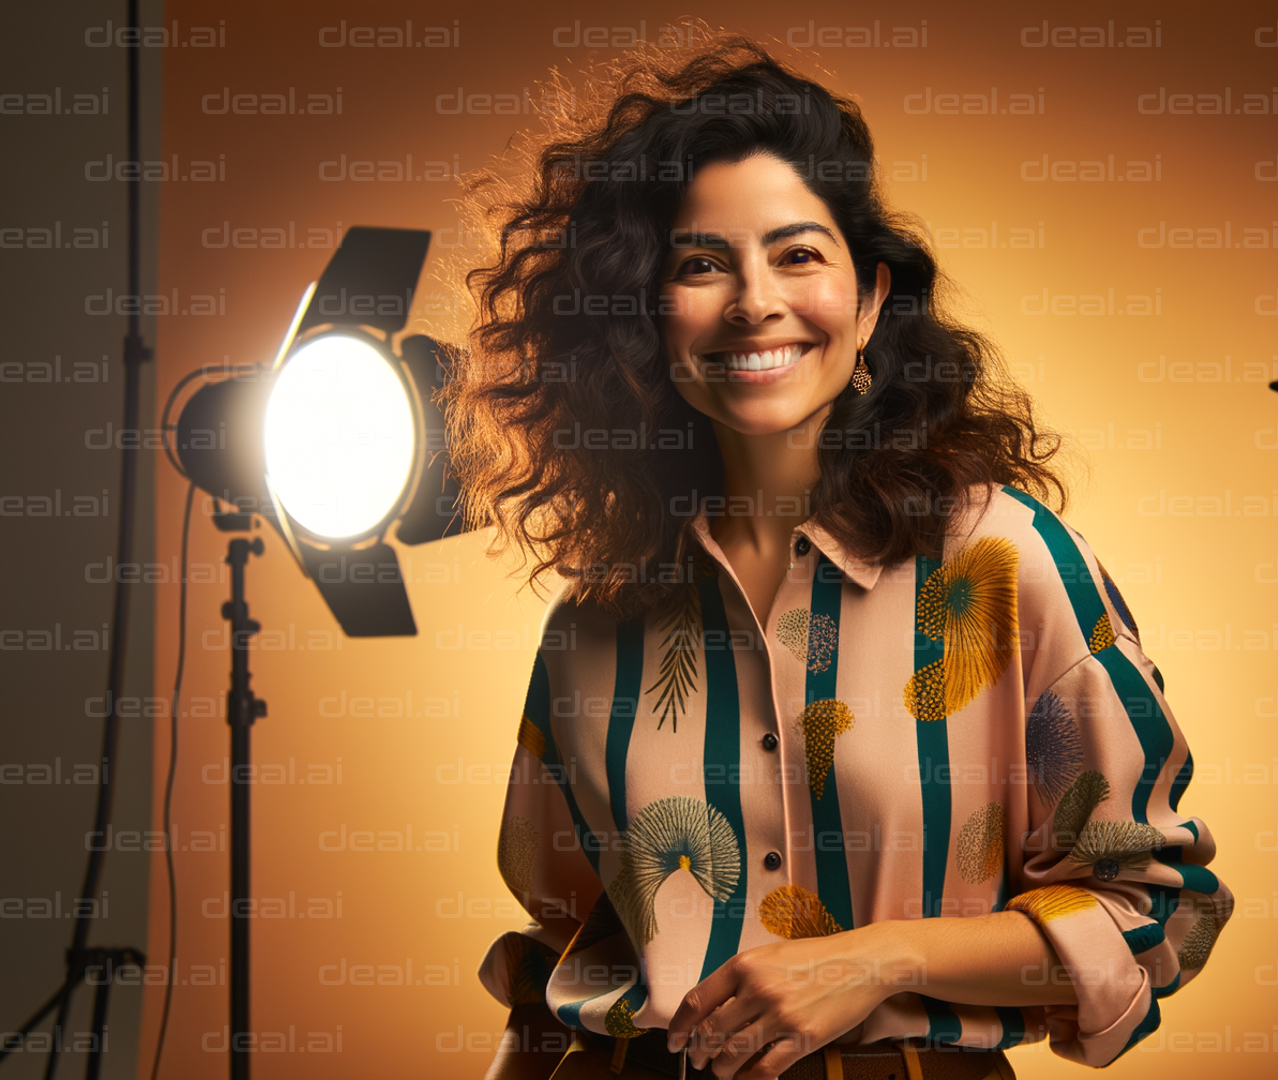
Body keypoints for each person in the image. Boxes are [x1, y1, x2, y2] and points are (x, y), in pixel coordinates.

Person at [445, 36, 1230, 1080]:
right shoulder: (592, 627)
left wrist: (877, 959)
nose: (752, 300)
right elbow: (560, 954)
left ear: (868, 303)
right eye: (698, 264)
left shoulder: (1009, 563)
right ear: (646, 320)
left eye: (798, 253)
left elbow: (1150, 912)